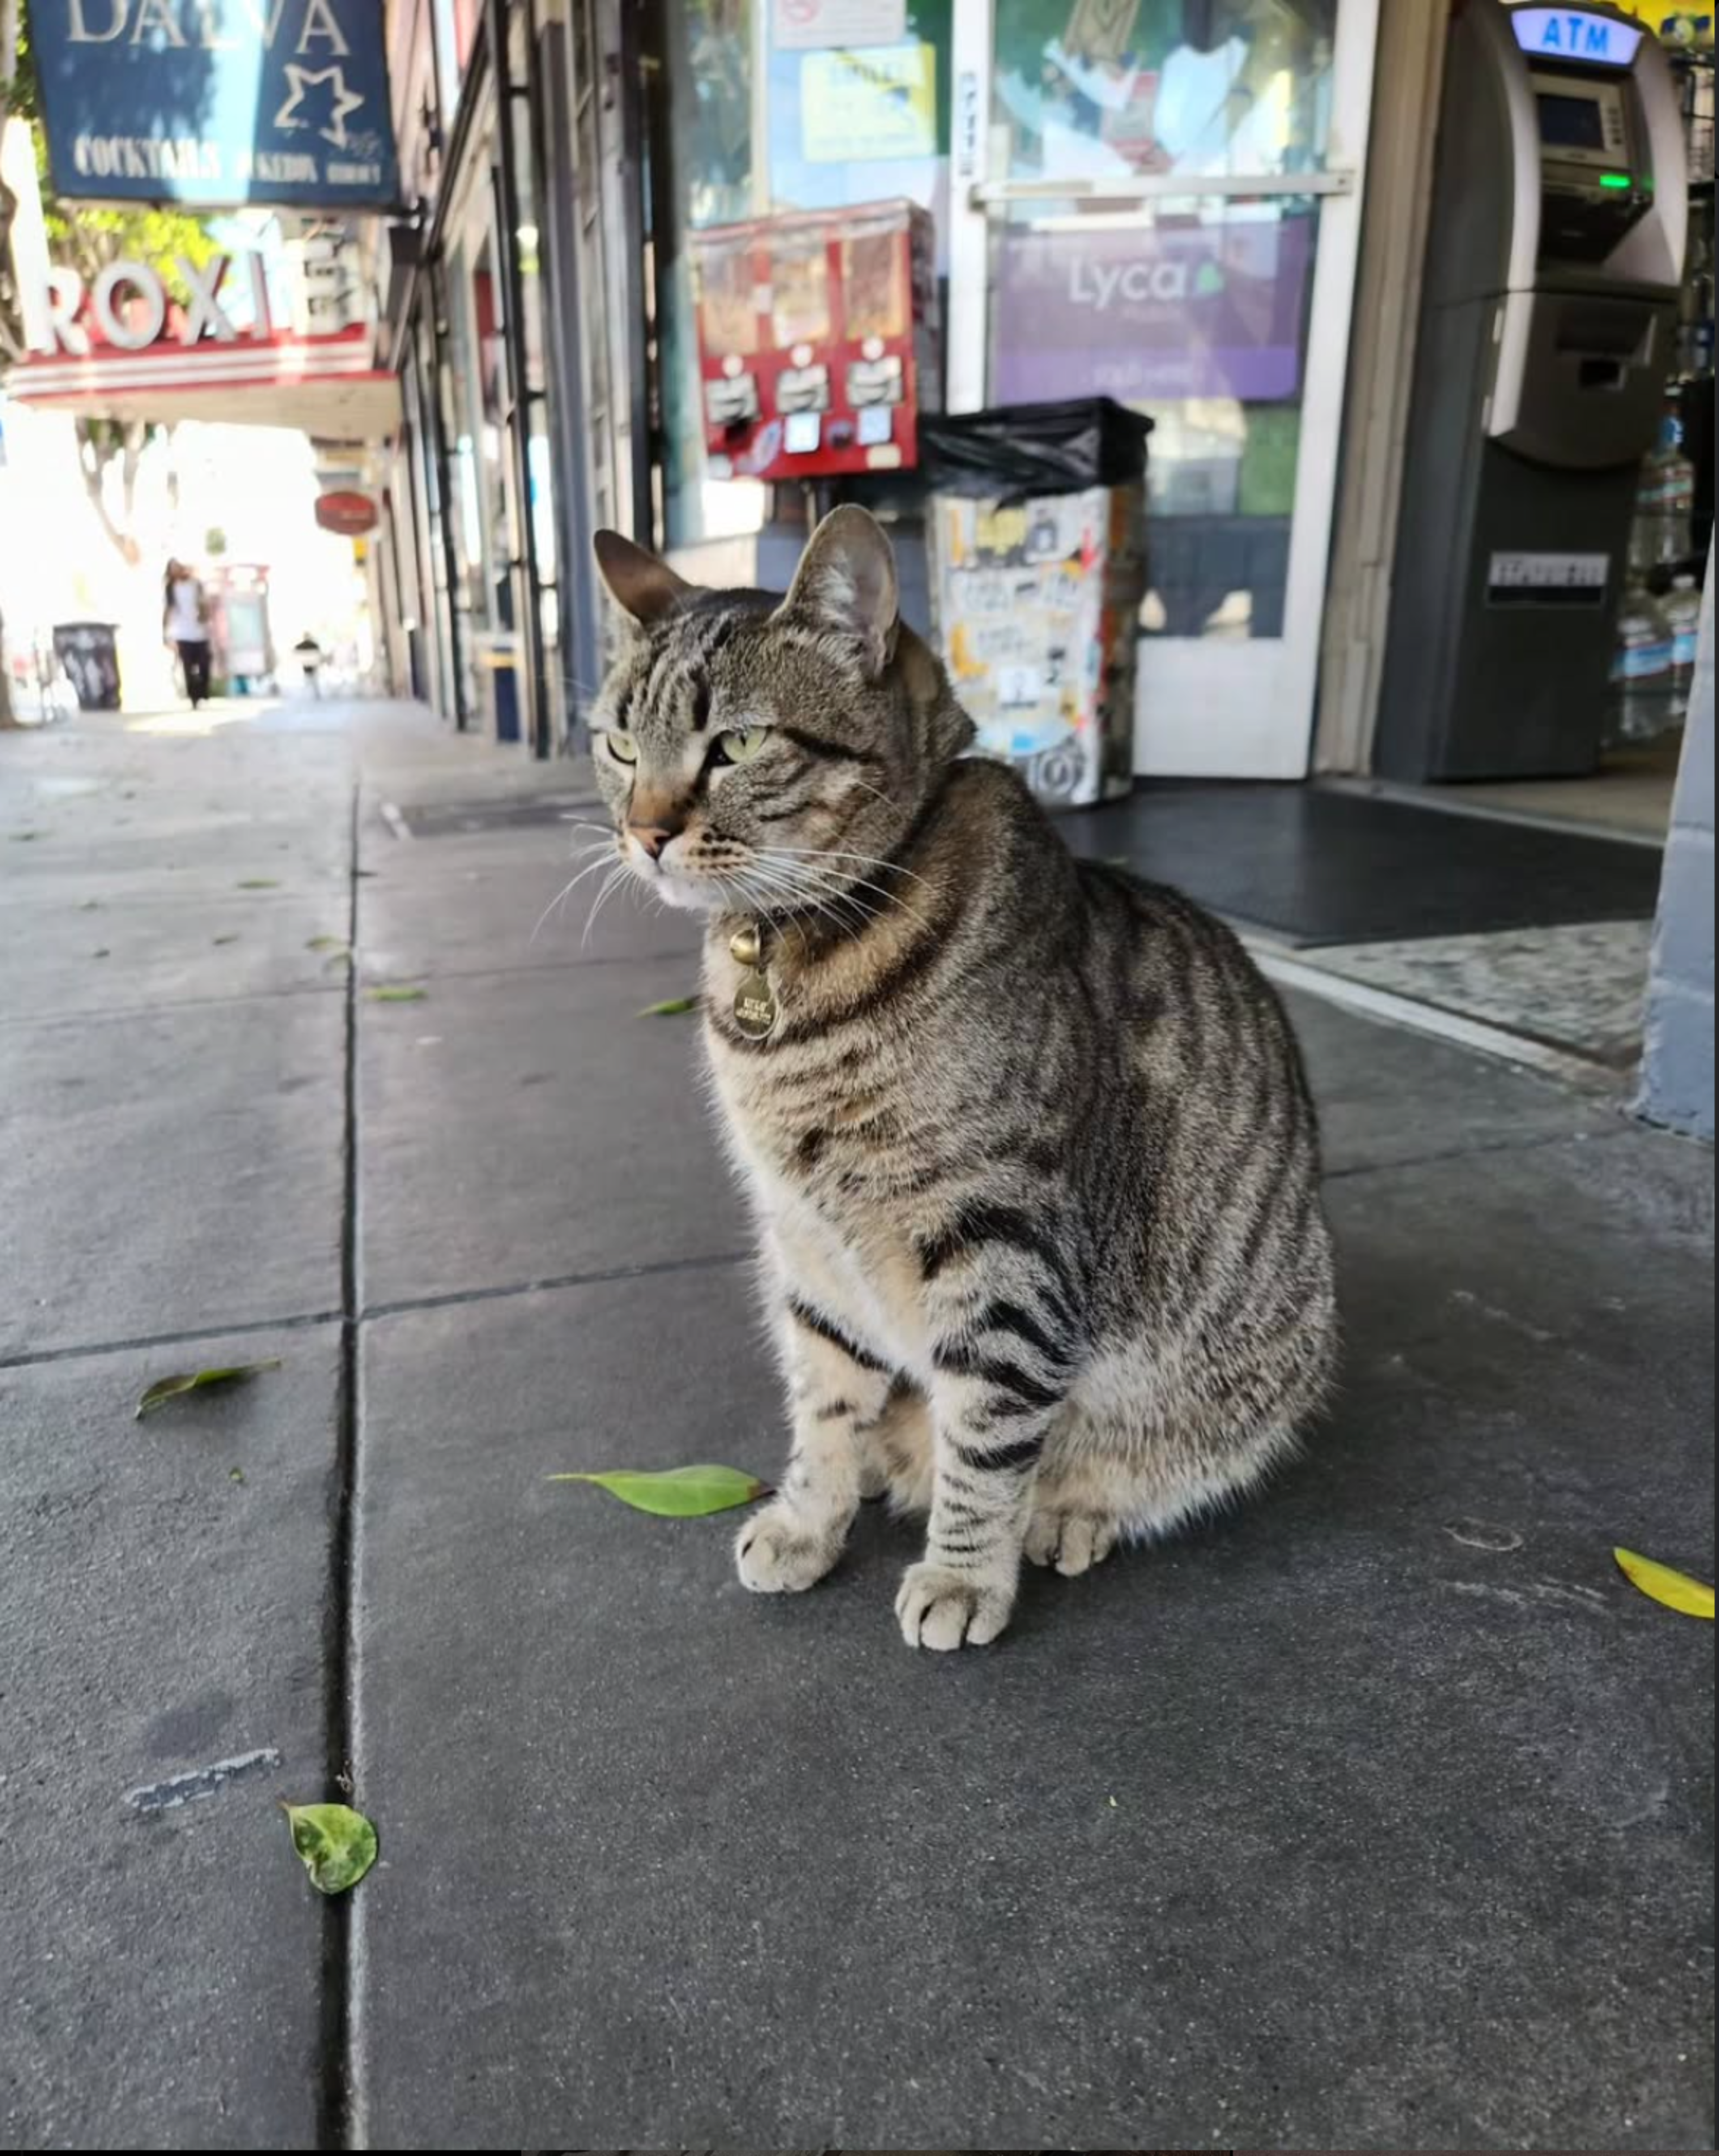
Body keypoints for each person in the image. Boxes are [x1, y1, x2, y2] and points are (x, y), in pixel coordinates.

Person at [162, 559, 212, 709]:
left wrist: (205, 615)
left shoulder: (196, 584)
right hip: (182, 634)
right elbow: (167, 611)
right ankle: (194, 698)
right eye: (173, 569)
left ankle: (203, 693)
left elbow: (205, 604)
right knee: (188, 668)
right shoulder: (170, 589)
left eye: (179, 567)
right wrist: (165, 634)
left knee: (205, 664)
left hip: (200, 632)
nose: (177, 571)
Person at [293, 630, 324, 699]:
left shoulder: (300, 646)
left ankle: (308, 685)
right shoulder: (315, 645)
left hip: (306, 666)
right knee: (314, 676)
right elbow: (319, 654)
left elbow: (295, 651)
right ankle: (315, 689)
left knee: (308, 676)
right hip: (314, 666)